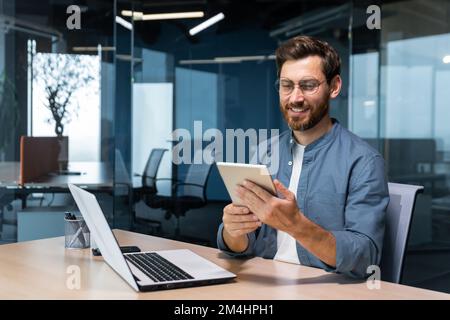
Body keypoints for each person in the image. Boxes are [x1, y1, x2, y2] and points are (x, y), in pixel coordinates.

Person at [217, 35, 389, 279]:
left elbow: (365, 258)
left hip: (326, 291)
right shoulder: (265, 152)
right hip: (265, 281)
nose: (295, 97)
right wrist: (234, 231)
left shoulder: (364, 162)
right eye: (287, 85)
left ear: (334, 86)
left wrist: (296, 224)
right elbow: (244, 244)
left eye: (308, 85)